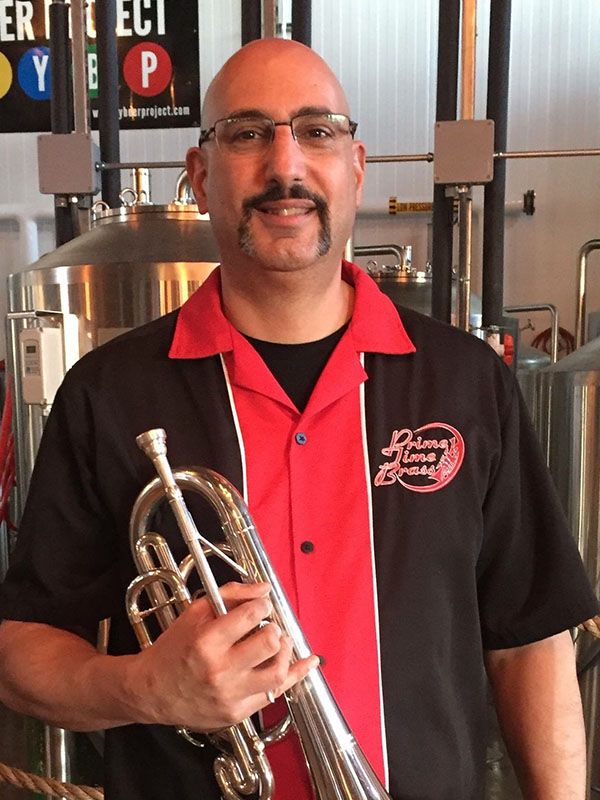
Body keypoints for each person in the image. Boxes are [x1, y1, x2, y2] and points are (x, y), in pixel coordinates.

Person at [0, 38, 597, 800]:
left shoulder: (468, 384)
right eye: (248, 133)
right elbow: (20, 652)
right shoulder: (106, 395)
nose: (285, 165)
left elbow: (529, 642)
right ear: (200, 174)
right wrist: (145, 687)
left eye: (317, 131)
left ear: (356, 166)